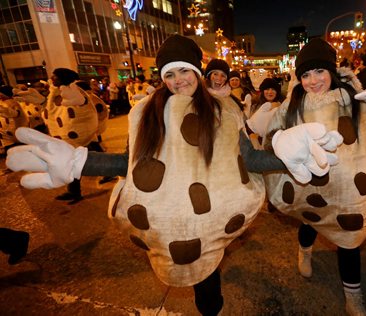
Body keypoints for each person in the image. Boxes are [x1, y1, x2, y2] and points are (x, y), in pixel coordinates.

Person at [6, 35, 338, 315]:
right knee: (191, 275)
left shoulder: (224, 110)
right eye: (169, 74)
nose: (178, 80)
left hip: (209, 218)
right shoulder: (145, 112)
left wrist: (285, 156)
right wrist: (80, 163)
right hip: (167, 220)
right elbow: (130, 163)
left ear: (197, 72)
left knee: (208, 281)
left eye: (184, 71)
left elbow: (248, 158)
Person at [262, 38, 366, 315]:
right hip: (308, 185)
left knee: (350, 240)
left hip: (346, 192)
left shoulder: (353, 98)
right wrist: (279, 139)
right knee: (308, 223)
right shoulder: (291, 105)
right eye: (305, 74)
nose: (312, 81)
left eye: (319, 72)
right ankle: (304, 251)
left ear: (332, 71)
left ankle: (353, 295)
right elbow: (271, 137)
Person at [42, 68, 99, 204]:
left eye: (55, 76)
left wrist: (81, 102)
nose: (52, 78)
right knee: (77, 162)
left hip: (75, 137)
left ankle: (74, 192)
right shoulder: (56, 92)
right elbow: (53, 110)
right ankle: (74, 191)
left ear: (63, 78)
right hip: (65, 137)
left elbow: (84, 106)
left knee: (74, 164)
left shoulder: (74, 91)